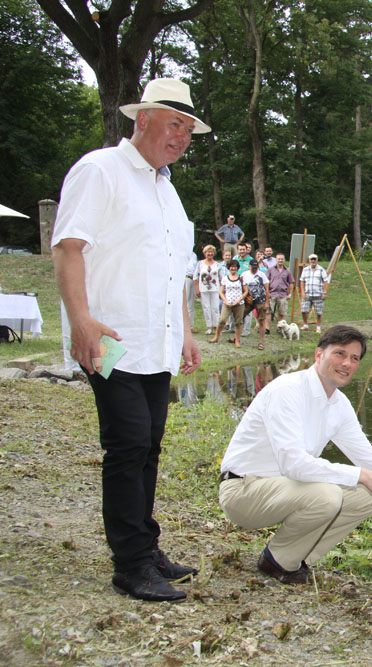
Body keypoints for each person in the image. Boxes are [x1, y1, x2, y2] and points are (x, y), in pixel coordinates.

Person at [51, 77, 208, 602]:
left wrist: (186, 333)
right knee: (128, 445)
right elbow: (69, 247)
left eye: (188, 129)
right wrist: (81, 322)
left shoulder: (167, 189)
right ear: (143, 119)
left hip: (157, 342)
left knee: (149, 448)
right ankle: (131, 564)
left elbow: (175, 270)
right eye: (174, 125)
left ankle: (146, 546)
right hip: (111, 337)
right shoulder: (101, 171)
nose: (182, 136)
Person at [218, 325, 372, 584]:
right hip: (243, 490)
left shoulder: (338, 403)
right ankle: (276, 561)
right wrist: (360, 474)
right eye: (339, 353)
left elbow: (369, 458)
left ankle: (295, 558)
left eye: (354, 358)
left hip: (287, 489)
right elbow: (294, 464)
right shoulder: (287, 390)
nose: (347, 363)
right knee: (328, 495)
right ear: (318, 354)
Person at [208, 259, 247, 347]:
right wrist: (225, 301)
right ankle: (216, 337)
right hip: (227, 303)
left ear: (237, 268)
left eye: (235, 267)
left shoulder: (241, 278)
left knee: (238, 322)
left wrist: (239, 300)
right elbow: (221, 292)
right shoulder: (225, 278)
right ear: (229, 268)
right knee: (222, 320)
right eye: (231, 267)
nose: (233, 268)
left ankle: (237, 340)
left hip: (239, 304)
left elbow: (246, 291)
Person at [194, 245, 223, 335]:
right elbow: (195, 277)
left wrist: (221, 291)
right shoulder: (200, 264)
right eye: (208, 252)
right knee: (206, 308)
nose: (209, 254)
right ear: (205, 253)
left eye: (211, 252)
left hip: (215, 288)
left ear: (214, 253)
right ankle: (209, 327)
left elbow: (221, 278)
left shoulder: (217, 265)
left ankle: (217, 326)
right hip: (203, 288)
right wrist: (197, 289)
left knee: (215, 308)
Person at [242, 258, 270, 350]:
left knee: (262, 320)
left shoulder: (262, 275)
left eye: (256, 268)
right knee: (240, 317)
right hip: (248, 300)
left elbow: (266, 289)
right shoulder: (244, 275)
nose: (254, 269)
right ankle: (237, 338)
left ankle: (261, 342)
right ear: (249, 266)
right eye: (253, 267)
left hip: (260, 300)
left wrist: (266, 302)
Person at [299, 253, 329, 333]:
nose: (313, 261)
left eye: (314, 259)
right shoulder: (305, 269)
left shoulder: (321, 269)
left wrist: (324, 293)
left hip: (318, 294)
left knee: (319, 312)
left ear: (317, 260)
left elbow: (326, 281)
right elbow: (302, 281)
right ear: (309, 260)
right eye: (311, 259)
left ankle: (318, 327)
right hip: (307, 293)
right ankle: (305, 325)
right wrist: (302, 292)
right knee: (303, 310)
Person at [267, 252, 293, 325]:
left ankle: (280, 327)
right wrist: (267, 293)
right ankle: (267, 328)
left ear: (284, 260)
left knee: (282, 312)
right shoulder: (271, 269)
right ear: (276, 260)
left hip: (283, 294)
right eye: (279, 259)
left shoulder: (287, 270)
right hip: (272, 293)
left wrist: (290, 294)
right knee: (268, 312)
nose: (280, 260)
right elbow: (266, 282)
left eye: (282, 259)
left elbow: (291, 282)